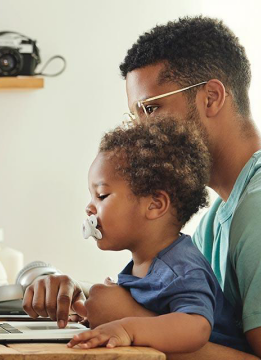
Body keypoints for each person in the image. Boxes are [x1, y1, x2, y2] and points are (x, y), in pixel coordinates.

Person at [23, 16, 261, 359]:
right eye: (134, 114)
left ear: (211, 97)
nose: (140, 130)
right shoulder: (221, 216)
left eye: (151, 109)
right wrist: (81, 296)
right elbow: (188, 315)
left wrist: (129, 320)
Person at [66, 120, 249, 354]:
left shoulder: (181, 267)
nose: (89, 208)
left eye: (101, 195)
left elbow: (196, 327)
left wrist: (126, 329)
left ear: (155, 204)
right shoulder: (144, 264)